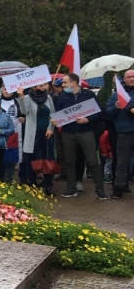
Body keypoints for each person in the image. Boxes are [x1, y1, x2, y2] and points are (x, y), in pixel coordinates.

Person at [52, 73, 107, 199]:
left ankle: (100, 189)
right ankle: (71, 188)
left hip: (85, 132)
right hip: (68, 133)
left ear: (73, 83)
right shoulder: (61, 97)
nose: (63, 85)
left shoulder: (89, 95)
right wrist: (56, 121)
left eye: (65, 83)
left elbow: (99, 111)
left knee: (93, 161)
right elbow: (57, 114)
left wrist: (88, 120)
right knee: (69, 161)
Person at [18, 82, 56, 194]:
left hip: (47, 133)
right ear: (34, 87)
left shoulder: (48, 98)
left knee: (48, 158)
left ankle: (48, 185)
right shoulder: (27, 98)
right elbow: (24, 111)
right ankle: (33, 183)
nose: (43, 87)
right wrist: (21, 96)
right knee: (33, 159)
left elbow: (53, 115)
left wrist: (50, 128)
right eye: (41, 85)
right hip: (33, 134)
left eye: (45, 85)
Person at [106, 69, 134, 199]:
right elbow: (108, 113)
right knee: (122, 163)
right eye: (129, 77)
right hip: (124, 132)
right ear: (125, 79)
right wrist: (116, 108)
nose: (132, 79)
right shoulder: (117, 95)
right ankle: (118, 188)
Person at [0, 84, 25, 182]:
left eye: (9, 89)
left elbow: (24, 113)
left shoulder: (17, 101)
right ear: (1, 90)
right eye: (4, 89)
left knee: (11, 156)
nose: (7, 91)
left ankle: (8, 179)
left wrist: (23, 118)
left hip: (14, 134)